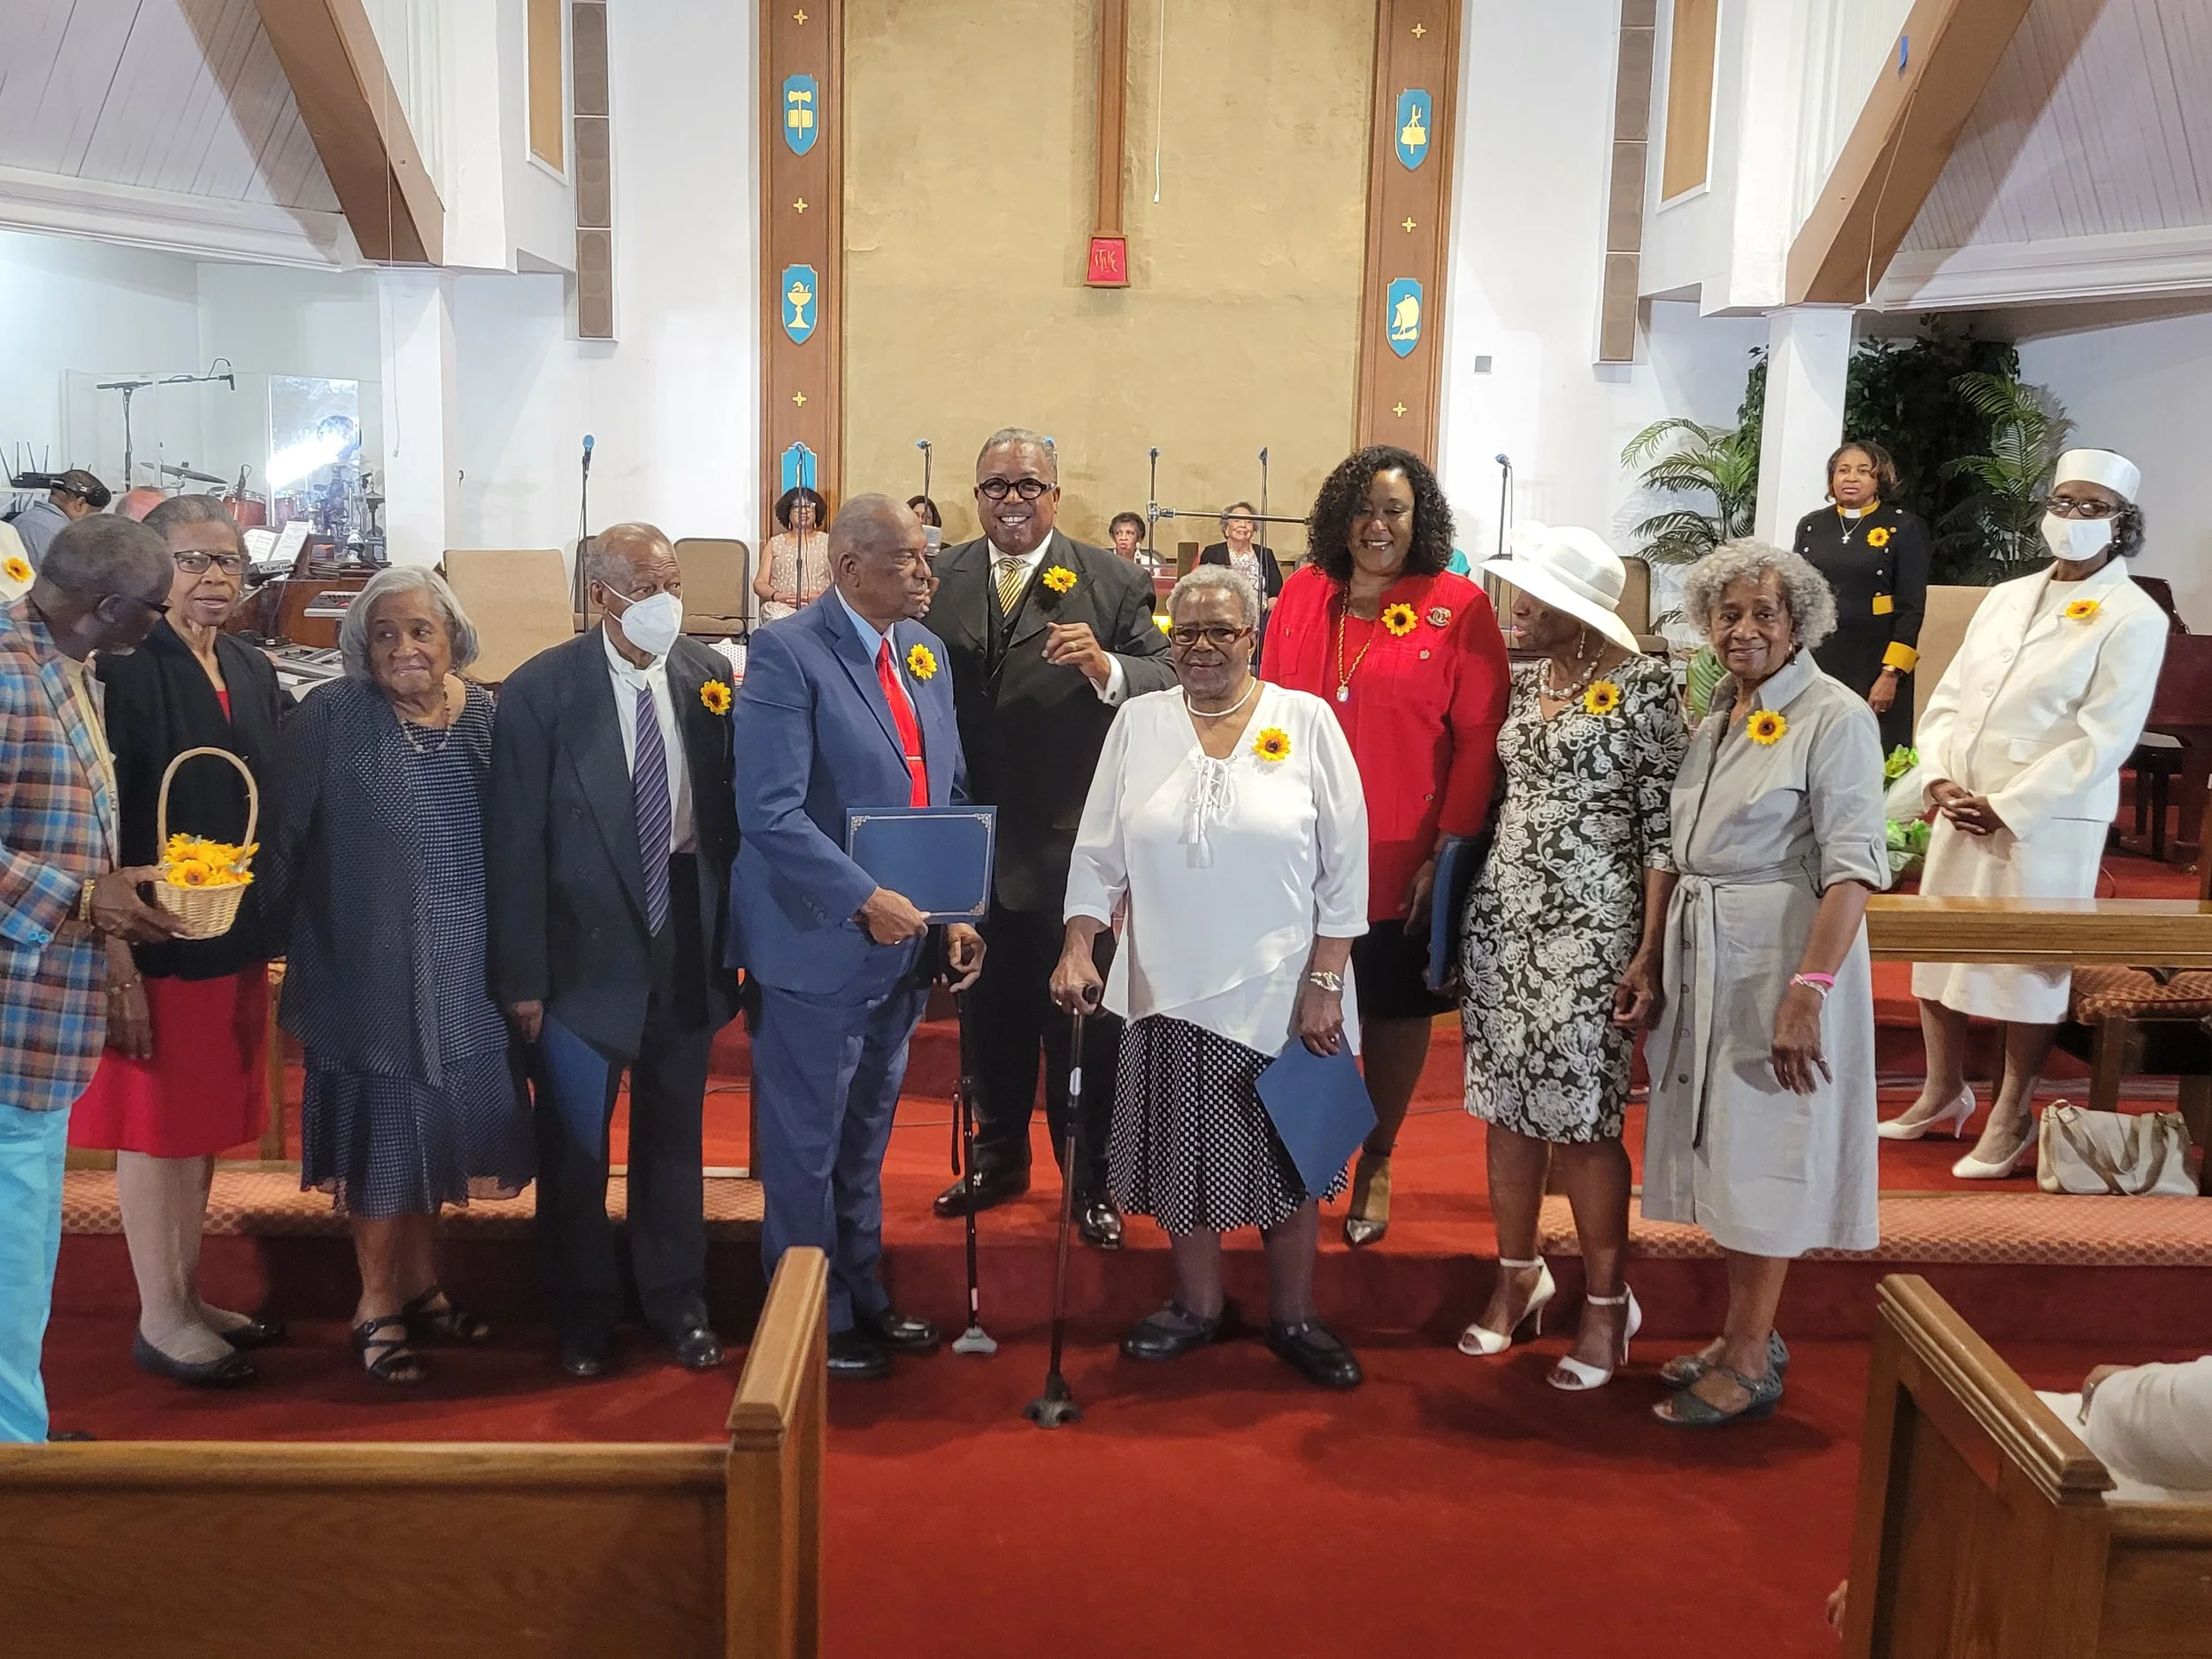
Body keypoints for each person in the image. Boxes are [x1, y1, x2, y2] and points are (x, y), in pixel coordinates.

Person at [1053, 565, 1368, 1388]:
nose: (1200, 647)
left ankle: (1296, 1315)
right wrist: (1079, 943)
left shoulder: (1307, 720)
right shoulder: (1138, 722)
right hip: (1168, 981)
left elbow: (1346, 865)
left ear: (1252, 634)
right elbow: (1098, 850)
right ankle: (1198, 1305)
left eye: (1220, 631)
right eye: (1185, 631)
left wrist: (1327, 979)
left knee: (1295, 1158)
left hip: (1288, 986)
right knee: (1183, 1157)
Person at [732, 495, 984, 1379]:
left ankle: (864, 1289)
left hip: (905, 942)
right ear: (848, 571)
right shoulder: (785, 655)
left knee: (865, 1135)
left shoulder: (925, 652)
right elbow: (768, 813)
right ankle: (811, 1314)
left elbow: (941, 789)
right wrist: (861, 896)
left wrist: (954, 912)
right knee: (806, 1145)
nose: (927, 573)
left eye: (927, 558)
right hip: (819, 939)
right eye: (909, 559)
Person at [1641, 541, 1888, 1427]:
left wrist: (1808, 989)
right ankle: (1739, 1331)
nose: (1744, 629)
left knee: (1770, 1150)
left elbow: (1852, 867)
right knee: (1729, 1150)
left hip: (1781, 958)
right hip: (1711, 954)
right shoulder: (1718, 718)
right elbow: (1675, 844)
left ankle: (1749, 1357)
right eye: (1727, 613)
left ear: (1799, 624)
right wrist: (1647, 957)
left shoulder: (1834, 714)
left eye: (1764, 614)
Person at [266, 568, 533, 1384]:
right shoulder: (330, 717)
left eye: (421, 630)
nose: (404, 648)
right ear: (360, 648)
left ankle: (422, 1288)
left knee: (441, 1127)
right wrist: (264, 945)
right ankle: (374, 1303)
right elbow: (282, 840)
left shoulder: (488, 717)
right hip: (363, 969)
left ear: (454, 637)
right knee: (385, 1130)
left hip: (470, 969)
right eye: (383, 634)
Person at [488, 524, 740, 1379]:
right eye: (648, 583)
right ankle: (583, 1313)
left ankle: (679, 1301)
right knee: (577, 1148)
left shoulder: (706, 676)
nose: (668, 596)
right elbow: (513, 841)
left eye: (672, 578)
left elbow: (726, 825)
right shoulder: (540, 691)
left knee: (674, 1140)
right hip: (577, 956)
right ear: (604, 596)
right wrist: (521, 977)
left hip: (684, 939)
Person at [1886, 449, 2169, 1178]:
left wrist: (2009, 806)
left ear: (2122, 523)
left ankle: (2011, 1113)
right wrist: (1941, 774)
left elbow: (2105, 734)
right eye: (2063, 502)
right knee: (1941, 949)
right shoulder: (2008, 594)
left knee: (2026, 963)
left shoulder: (2133, 615)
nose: (2071, 518)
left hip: (2046, 817)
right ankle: (1942, 1092)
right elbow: (1950, 697)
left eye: (2091, 507)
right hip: (1962, 800)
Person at [926, 428, 1176, 1248]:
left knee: (1083, 1024)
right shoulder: (939, 577)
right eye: (995, 485)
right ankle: (998, 1156)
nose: (1011, 500)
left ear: (1057, 495)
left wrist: (1106, 667)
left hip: (1075, 841)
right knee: (985, 1011)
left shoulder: (1109, 580)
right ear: (976, 494)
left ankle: (1091, 1178)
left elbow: (1168, 676)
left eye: (1028, 485)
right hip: (969, 835)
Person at [1456, 526, 1687, 1389]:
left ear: (1581, 614)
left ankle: (1604, 1303)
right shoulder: (1520, 686)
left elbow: (1664, 833)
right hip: (1503, 923)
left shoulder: (1645, 691)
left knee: (1584, 1123)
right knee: (1504, 1108)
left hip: (1594, 933)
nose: (1517, 608)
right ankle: (1517, 1275)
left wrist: (1648, 952)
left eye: (1535, 598)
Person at [1262, 444, 1509, 1247]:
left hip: (1404, 848)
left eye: (1394, 510)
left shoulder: (1457, 606)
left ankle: (1378, 1153)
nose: (1377, 525)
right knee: (1299, 999)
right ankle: (1306, 1153)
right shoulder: (1301, 593)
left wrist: (1450, 848)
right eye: (1363, 508)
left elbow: (1478, 741)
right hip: (1297, 844)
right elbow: (1264, 706)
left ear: (1419, 519)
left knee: (1396, 1008)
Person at [67, 497, 288, 1386]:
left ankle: (189, 1294)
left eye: (228, 561)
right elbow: (97, 814)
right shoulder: (124, 667)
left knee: (198, 1127)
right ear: (151, 572)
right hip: (152, 934)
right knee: (156, 1130)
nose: (214, 578)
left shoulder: (246, 660)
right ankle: (160, 1316)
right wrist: (112, 945)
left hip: (225, 929)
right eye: (191, 561)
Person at [0, 515, 183, 1440]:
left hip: (43, 1013)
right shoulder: (2, 670)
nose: (164, 621)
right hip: (8, 1020)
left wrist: (114, 904)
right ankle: (13, 1458)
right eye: (155, 607)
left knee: (22, 1257)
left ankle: (17, 1428)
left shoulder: (63, 661)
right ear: (110, 606)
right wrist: (83, 898)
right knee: (6, 1260)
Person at [1792, 440, 1931, 754]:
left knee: (1868, 749)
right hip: (1818, 656)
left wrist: (1891, 673)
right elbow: (1796, 594)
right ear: (1832, 480)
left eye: (1862, 471)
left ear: (1879, 480)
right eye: (1843, 470)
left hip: (1874, 662)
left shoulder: (1903, 527)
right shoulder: (1813, 525)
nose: (1851, 478)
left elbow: (1911, 608)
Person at [755, 487, 831, 621]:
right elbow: (759, 583)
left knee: (820, 617)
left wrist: (821, 597)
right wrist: (777, 596)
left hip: (819, 606)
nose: (804, 511)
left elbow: (841, 584)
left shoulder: (829, 542)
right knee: (777, 615)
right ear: (788, 513)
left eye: (809, 506)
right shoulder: (775, 543)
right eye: (797, 507)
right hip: (781, 608)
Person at [10, 470, 112, 568]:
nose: (92, 523)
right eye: (95, 513)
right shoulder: (63, 537)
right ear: (80, 504)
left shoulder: (21, 520)